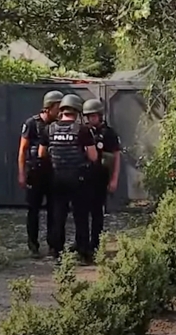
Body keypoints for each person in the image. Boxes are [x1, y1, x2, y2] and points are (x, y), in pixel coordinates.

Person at [38, 94, 98, 262]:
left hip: (56, 178)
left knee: (58, 215)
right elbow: (93, 156)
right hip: (78, 179)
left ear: (62, 110)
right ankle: (84, 252)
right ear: (77, 111)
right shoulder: (83, 130)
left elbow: (41, 154)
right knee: (81, 216)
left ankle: (57, 252)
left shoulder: (48, 129)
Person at [17, 90, 63, 258]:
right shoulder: (31, 124)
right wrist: (21, 174)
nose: (61, 111)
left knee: (54, 210)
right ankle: (33, 245)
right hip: (34, 173)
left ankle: (53, 245)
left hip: (52, 173)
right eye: (58, 107)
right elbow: (22, 150)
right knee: (33, 210)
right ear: (49, 107)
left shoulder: (57, 125)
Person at [77, 98, 120, 264]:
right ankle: (82, 246)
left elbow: (116, 157)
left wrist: (114, 178)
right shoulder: (83, 132)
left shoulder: (108, 133)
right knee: (81, 215)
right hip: (83, 179)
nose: (89, 119)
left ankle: (95, 246)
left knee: (97, 215)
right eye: (87, 116)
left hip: (100, 179)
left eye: (92, 116)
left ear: (99, 115)